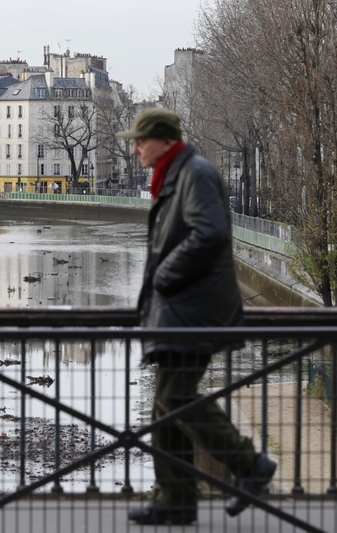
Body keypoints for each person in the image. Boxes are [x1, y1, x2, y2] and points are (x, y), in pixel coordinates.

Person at [117, 108, 276, 525]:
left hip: (194, 310)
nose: (135, 149)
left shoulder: (195, 173)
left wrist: (165, 277)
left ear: (166, 140)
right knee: (162, 407)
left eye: (140, 141)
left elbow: (209, 233)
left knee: (174, 399)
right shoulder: (173, 176)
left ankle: (250, 465)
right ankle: (178, 500)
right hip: (179, 310)